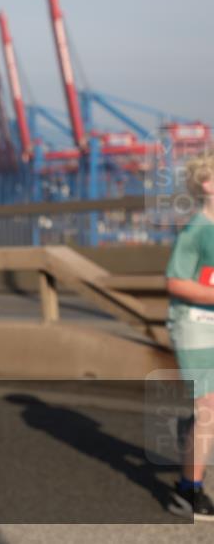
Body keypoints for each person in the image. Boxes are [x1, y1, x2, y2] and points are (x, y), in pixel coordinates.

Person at [165, 152, 214, 520]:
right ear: (207, 185)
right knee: (209, 409)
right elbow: (176, 282)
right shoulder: (195, 230)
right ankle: (188, 492)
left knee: (206, 412)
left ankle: (191, 434)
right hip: (195, 326)